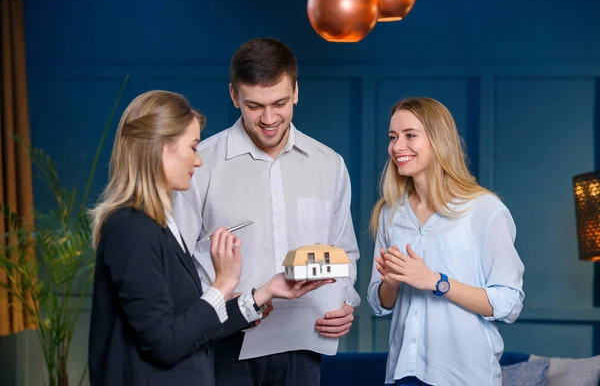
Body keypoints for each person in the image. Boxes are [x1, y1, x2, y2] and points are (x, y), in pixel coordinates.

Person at [88, 90, 330, 386]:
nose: (198, 161)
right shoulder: (129, 228)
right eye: (192, 147)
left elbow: (190, 325)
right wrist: (223, 284)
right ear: (162, 148)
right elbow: (165, 343)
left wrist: (264, 293)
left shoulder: (159, 226)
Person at [173, 37, 360, 386]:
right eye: (255, 106)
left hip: (306, 347)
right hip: (224, 345)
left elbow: (343, 253)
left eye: (281, 103)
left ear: (296, 92)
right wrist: (231, 308)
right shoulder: (200, 165)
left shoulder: (329, 165)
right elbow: (178, 263)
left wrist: (346, 303)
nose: (270, 118)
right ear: (234, 96)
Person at [367, 97, 525, 386]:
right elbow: (379, 303)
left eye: (410, 135)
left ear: (438, 140)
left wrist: (436, 281)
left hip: (464, 377)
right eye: (393, 137)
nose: (396, 147)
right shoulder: (390, 212)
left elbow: (509, 302)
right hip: (403, 374)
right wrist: (391, 282)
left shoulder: (484, 209)